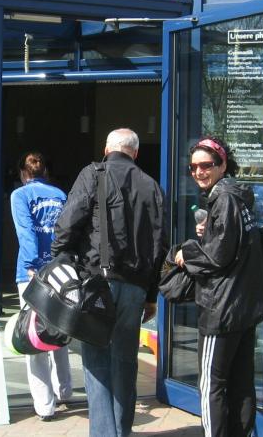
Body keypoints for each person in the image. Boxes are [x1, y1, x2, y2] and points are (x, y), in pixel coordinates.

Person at [53, 128, 166, 437]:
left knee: (96, 362)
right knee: (125, 361)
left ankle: (104, 433)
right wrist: (151, 294)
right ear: (135, 153)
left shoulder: (93, 173)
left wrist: (59, 258)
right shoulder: (152, 186)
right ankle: (121, 430)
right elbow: (160, 245)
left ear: (106, 149)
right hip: (136, 287)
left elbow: (68, 221)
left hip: (97, 283)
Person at [174, 136, 263, 437]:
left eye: (206, 165)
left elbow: (218, 255)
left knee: (211, 383)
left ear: (223, 164)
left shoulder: (224, 198)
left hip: (222, 307)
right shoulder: (235, 196)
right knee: (240, 382)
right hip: (242, 304)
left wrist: (187, 252)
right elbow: (231, 244)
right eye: (193, 167)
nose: (199, 172)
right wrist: (208, 231)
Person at [10, 151, 72, 421]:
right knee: (59, 330)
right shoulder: (60, 195)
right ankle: (65, 390)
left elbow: (26, 232)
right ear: (45, 171)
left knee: (33, 336)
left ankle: (45, 405)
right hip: (59, 269)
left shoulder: (20, 195)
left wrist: (31, 264)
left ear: (24, 173)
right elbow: (67, 232)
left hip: (32, 271)